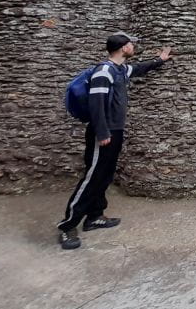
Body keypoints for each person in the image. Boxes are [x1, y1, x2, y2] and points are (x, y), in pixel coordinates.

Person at [57, 31, 172, 250]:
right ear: (122, 48)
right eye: (131, 45)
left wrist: (160, 60)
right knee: (92, 177)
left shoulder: (120, 70)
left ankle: (95, 216)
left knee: (105, 175)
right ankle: (67, 226)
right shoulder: (104, 71)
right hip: (105, 132)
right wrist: (102, 133)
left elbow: (138, 69)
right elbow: (96, 103)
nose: (133, 47)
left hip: (115, 131)